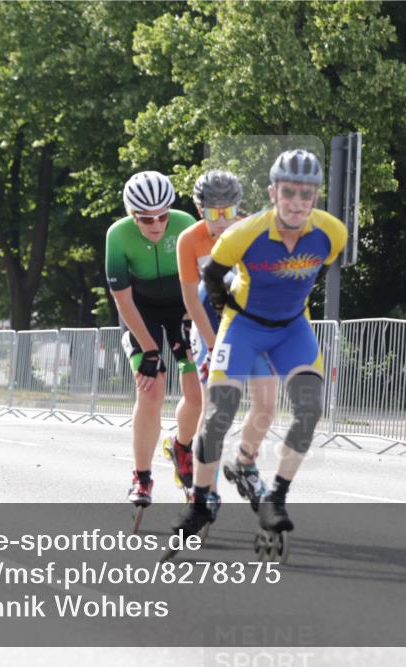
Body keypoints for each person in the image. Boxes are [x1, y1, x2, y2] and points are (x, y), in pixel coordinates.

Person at [173, 149, 347, 537]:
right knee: (219, 413)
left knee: (308, 409)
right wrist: (221, 323)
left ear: (316, 196)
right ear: (272, 192)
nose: (297, 203)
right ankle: (200, 502)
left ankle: (275, 496)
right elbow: (210, 284)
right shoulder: (241, 234)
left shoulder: (332, 232)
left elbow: (316, 271)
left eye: (306, 194)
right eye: (289, 192)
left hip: (291, 328)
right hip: (244, 326)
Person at [176, 170, 279, 514]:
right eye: (211, 212)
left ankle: (245, 465)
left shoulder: (254, 232)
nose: (220, 221)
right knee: (215, 411)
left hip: (247, 323)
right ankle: (205, 492)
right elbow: (192, 301)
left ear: (239, 208)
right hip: (207, 323)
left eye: (228, 212)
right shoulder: (189, 240)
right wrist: (211, 346)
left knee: (266, 404)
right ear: (198, 208)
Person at [104, 171, 201, 508]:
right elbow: (123, 300)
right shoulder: (117, 235)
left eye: (162, 215)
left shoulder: (185, 222)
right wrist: (149, 350)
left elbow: (201, 282)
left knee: (196, 390)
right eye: (147, 219)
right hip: (140, 312)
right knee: (152, 388)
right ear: (133, 215)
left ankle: (181, 447)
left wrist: (191, 322)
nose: (157, 224)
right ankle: (141, 477)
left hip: (182, 309)